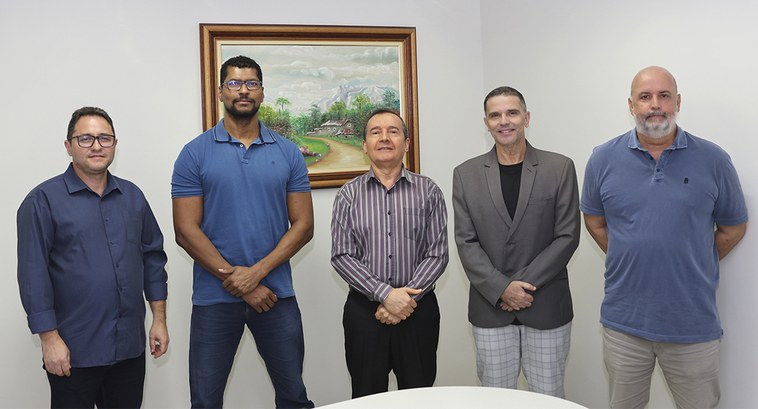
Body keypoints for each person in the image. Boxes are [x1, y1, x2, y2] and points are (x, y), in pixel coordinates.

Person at [581, 66, 748, 408]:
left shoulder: (714, 160)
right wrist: (629, 254)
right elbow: (594, 222)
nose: (655, 104)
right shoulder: (602, 159)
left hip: (692, 324)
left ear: (678, 102)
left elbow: (733, 227)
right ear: (631, 105)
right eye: (645, 97)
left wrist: (694, 258)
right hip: (624, 324)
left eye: (664, 96)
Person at [172, 55, 315, 408]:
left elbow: (304, 226)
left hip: (275, 296)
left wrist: (256, 274)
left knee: (294, 398)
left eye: (251, 83)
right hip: (214, 298)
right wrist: (238, 280)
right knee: (205, 402)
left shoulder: (288, 153)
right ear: (220, 92)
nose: (243, 90)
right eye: (234, 83)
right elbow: (185, 231)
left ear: (262, 92)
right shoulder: (194, 153)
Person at [17, 106, 169, 408]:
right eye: (85, 138)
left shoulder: (133, 197)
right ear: (68, 146)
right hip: (73, 351)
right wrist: (49, 339)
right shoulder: (42, 201)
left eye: (104, 138)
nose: (97, 146)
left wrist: (159, 320)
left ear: (115, 144)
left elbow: (153, 259)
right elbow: (33, 275)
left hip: (128, 349)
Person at [452, 86, 580, 397]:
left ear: (527, 117)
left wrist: (520, 287)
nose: (504, 121)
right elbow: (466, 242)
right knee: (496, 400)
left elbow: (567, 236)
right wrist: (502, 289)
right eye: (495, 115)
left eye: (512, 113)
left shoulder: (559, 168)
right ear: (486, 123)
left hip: (545, 306)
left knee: (548, 399)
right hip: (491, 310)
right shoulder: (465, 174)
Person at [331, 108, 449, 398]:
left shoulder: (429, 191)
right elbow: (342, 255)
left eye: (393, 131)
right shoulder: (348, 194)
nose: (384, 138)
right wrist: (385, 294)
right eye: (376, 132)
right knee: (367, 396)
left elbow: (437, 253)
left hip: (418, 310)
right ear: (365, 145)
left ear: (406, 143)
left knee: (419, 397)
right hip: (365, 313)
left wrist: (404, 300)